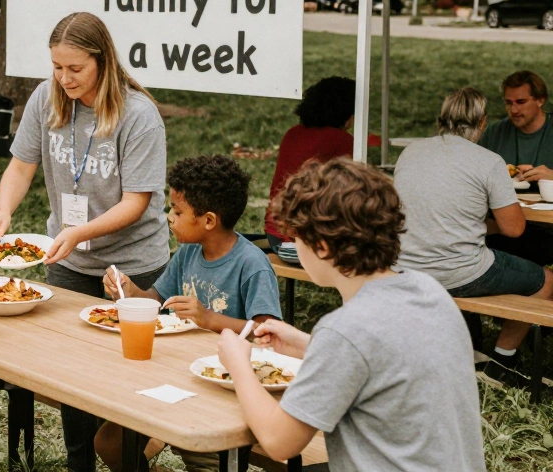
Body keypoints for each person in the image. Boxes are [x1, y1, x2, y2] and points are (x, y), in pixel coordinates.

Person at [0, 11, 169, 472]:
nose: (63, 78)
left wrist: (80, 232)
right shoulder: (45, 99)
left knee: (124, 375)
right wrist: (4, 208)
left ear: (102, 62)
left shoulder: (139, 115)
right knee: (71, 373)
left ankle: (129, 459)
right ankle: (78, 463)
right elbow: (21, 166)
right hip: (66, 259)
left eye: (75, 68)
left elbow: (136, 202)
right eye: (56, 67)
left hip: (131, 265)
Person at [217, 158, 486, 472]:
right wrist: (308, 345)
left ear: (322, 248)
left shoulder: (344, 331)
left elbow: (279, 442)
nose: (293, 245)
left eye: (297, 238)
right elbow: (386, 356)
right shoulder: (428, 290)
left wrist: (238, 365)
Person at [96, 155, 278, 472]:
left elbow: (268, 335)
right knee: (109, 442)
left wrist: (211, 320)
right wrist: (127, 290)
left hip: (223, 394)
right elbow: (155, 299)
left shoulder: (252, 265)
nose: (169, 217)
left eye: (177, 211)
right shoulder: (189, 251)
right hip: (173, 374)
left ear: (208, 220)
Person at [394, 87, 553, 387]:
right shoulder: (489, 161)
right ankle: (501, 362)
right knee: (546, 282)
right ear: (482, 122)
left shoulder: (411, 151)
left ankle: (466, 346)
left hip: (404, 265)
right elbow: (514, 229)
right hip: (458, 272)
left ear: (442, 119)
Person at [265, 77, 377, 252]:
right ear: (348, 114)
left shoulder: (292, 134)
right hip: (312, 240)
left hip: (276, 235)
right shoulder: (342, 141)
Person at [478, 70, 553, 266]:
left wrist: (550, 175)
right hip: (505, 229)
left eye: (520, 102)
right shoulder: (495, 133)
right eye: (508, 103)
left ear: (540, 100)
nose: (513, 110)